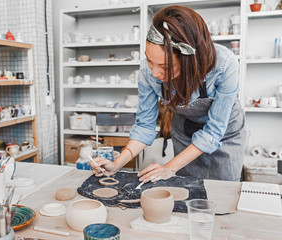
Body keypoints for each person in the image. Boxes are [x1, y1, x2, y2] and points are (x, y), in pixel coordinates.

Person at [91, 5, 246, 182]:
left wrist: (168, 168)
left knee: (222, 194)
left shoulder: (224, 65)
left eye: (164, 67)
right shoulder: (147, 72)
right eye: (149, 60)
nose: (155, 73)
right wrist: (117, 163)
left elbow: (214, 130)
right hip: (185, 130)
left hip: (225, 134)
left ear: (189, 61)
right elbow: (144, 126)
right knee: (187, 192)